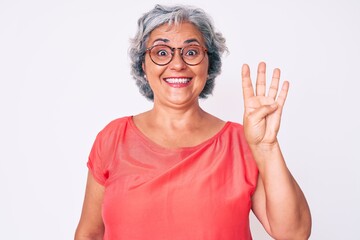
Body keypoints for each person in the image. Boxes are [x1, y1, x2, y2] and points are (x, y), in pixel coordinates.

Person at [75, 4, 311, 240]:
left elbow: (294, 234)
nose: (177, 64)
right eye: (161, 52)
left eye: (191, 52)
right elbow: (89, 234)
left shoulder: (242, 142)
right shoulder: (113, 138)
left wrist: (266, 148)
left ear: (209, 64)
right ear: (143, 65)